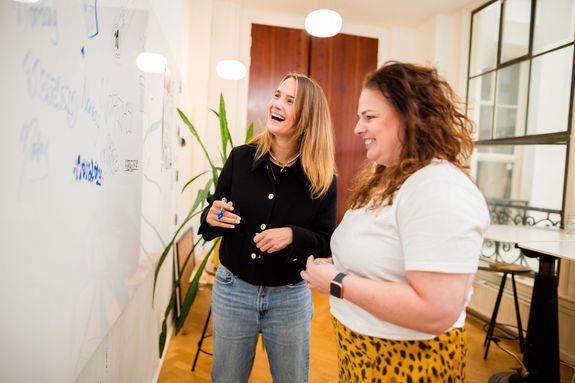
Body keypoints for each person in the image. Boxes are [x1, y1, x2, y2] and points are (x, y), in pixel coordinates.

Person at [301, 61, 490, 382]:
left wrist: (336, 282)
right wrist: (341, 262)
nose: (357, 128)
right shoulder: (387, 178)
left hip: (408, 363)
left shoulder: (438, 188)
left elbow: (435, 311)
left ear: (410, 116)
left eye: (369, 117)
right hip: (363, 355)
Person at [198, 73, 337, 383]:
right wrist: (211, 216)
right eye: (277, 95)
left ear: (308, 118)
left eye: (290, 101)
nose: (277, 104)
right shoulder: (240, 159)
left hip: (290, 299)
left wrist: (293, 236)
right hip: (233, 291)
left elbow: (327, 242)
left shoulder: (324, 179)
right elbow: (213, 215)